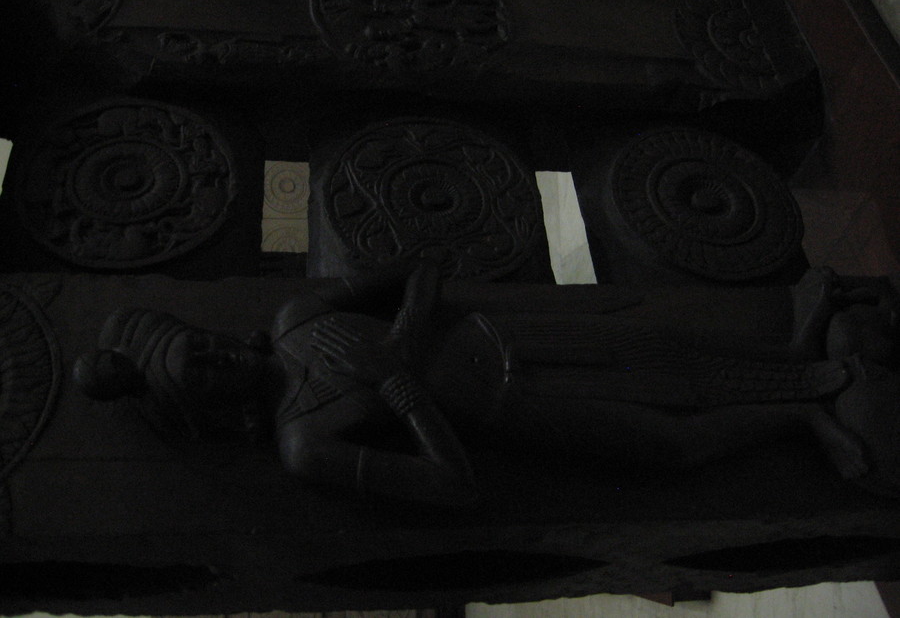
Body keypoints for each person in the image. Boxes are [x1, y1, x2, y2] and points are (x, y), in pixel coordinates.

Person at [73, 265, 900, 508]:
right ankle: (800, 417)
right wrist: (408, 400)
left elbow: (418, 272)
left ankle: (799, 352)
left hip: (504, 336)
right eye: (202, 375)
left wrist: (401, 340)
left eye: (203, 346)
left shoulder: (297, 316)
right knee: (667, 442)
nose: (218, 359)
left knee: (662, 344)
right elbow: (454, 483)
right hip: (511, 409)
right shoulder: (301, 440)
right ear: (213, 409)